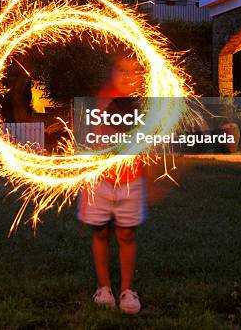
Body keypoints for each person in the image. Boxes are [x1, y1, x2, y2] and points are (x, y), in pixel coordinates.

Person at [78, 55, 145, 315]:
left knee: (126, 234)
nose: (128, 75)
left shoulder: (147, 103)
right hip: (101, 181)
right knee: (101, 232)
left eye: (135, 70)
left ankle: (127, 290)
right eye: (122, 69)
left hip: (131, 180)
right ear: (111, 71)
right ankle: (103, 287)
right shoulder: (101, 99)